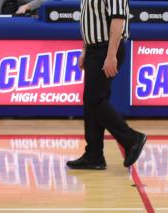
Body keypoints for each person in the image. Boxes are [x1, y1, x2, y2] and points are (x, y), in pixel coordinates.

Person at [66, 0, 146, 170]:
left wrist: (111, 55)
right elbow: (90, 20)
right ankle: (94, 155)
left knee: (94, 99)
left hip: (106, 48)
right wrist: (85, 50)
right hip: (94, 49)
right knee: (91, 102)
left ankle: (131, 138)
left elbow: (118, 19)